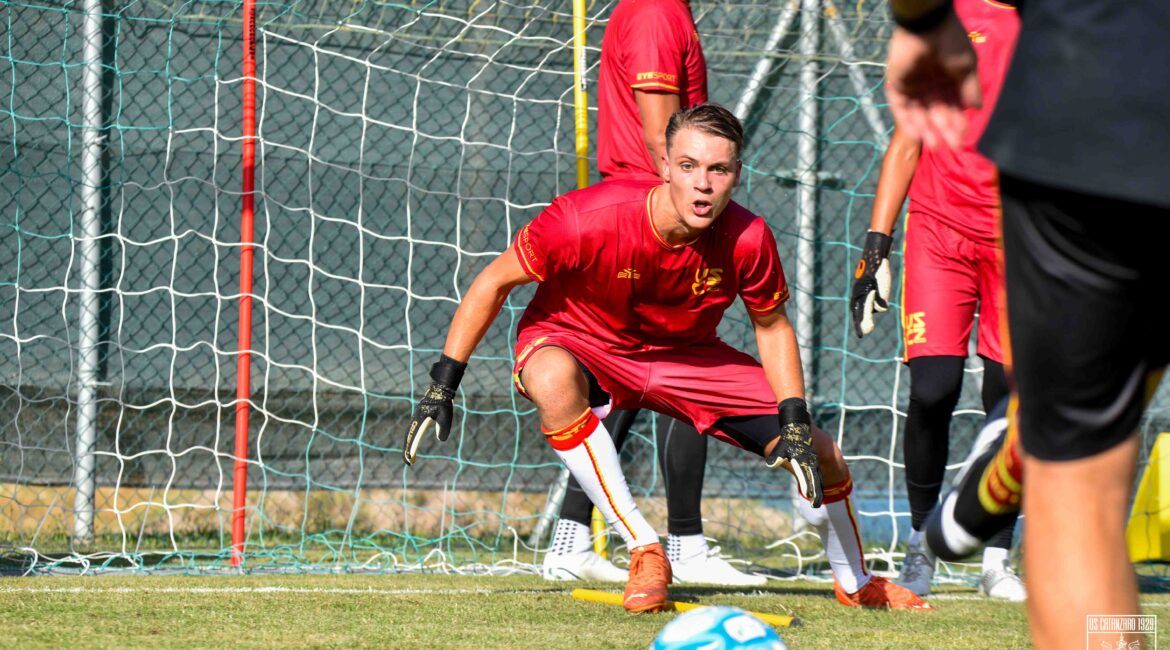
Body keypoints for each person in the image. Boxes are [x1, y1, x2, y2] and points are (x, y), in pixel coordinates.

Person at [404, 104, 930, 612]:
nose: (703, 183)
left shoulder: (749, 238)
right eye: (688, 166)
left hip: (687, 358)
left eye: (718, 169)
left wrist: (793, 419)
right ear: (663, 166)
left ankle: (857, 582)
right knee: (551, 378)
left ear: (737, 173)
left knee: (823, 453)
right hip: (584, 339)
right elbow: (493, 282)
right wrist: (442, 384)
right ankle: (644, 549)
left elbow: (771, 326)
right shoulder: (585, 218)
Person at [885, 0, 1170, 646]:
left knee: (1086, 483)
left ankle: (1028, 433)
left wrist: (921, 22)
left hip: (1096, 105)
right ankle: (1024, 431)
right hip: (1095, 119)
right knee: (1086, 444)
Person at [543, 0, 764, 587]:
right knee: (686, 363)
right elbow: (662, 138)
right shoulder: (658, 13)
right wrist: (691, 217)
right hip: (648, 222)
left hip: (646, 215)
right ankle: (684, 544)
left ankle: (570, 542)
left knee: (636, 377)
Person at [849, 0, 1022, 601]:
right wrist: (875, 247)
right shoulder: (945, 19)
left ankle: (996, 559)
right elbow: (907, 140)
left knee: (1006, 401)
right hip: (938, 235)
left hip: (1018, 243)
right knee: (932, 390)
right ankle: (920, 548)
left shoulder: (1058, 33)